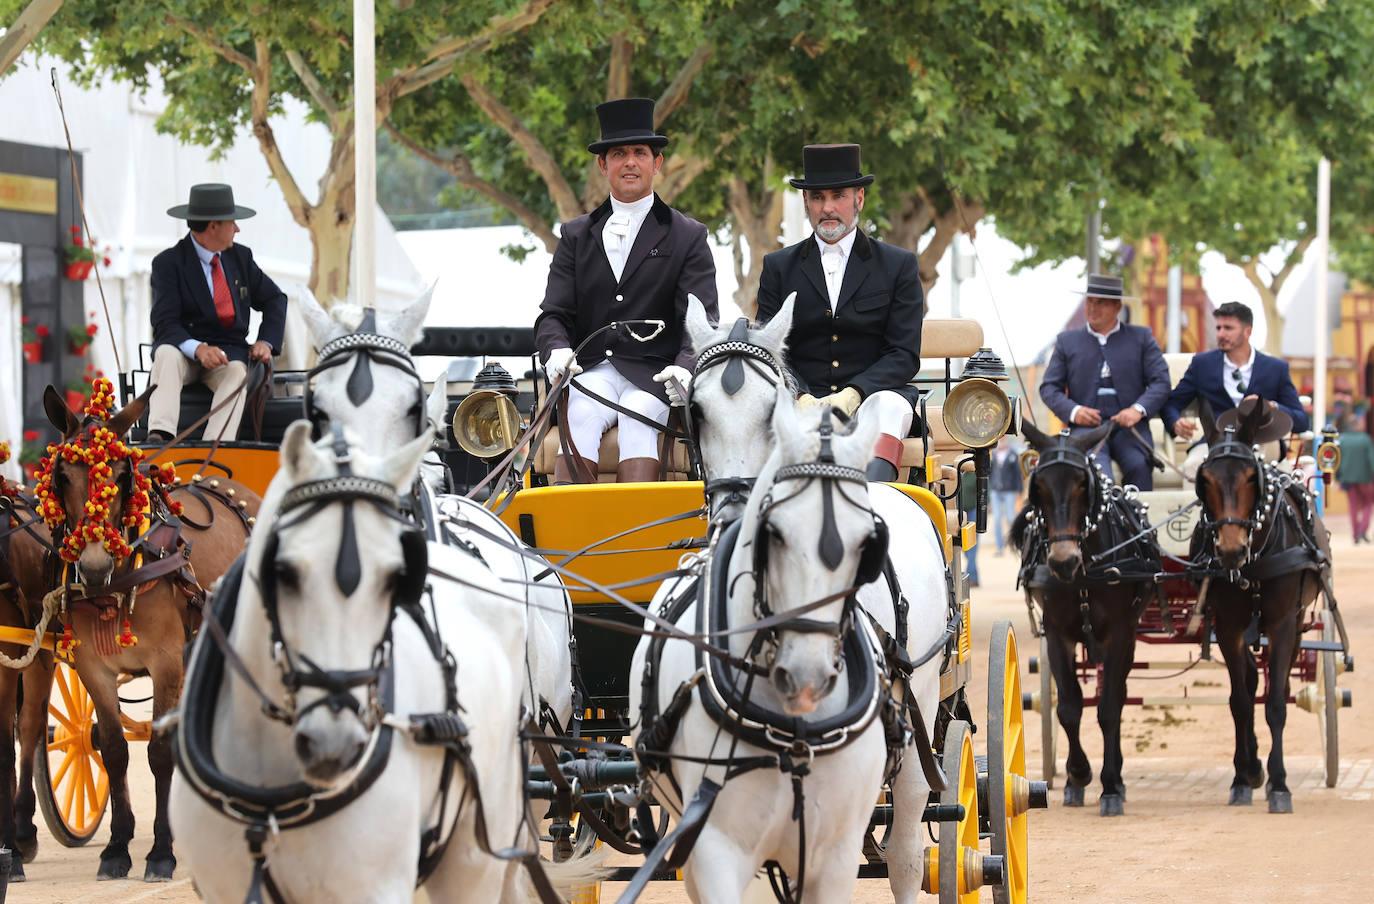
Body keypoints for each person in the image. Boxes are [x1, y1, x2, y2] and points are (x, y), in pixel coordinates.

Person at [534, 98, 719, 484]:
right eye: (619, 154)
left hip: (654, 374)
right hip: (592, 368)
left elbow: (701, 321)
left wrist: (685, 369)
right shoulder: (575, 235)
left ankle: (637, 533)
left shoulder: (688, 235)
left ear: (657, 163)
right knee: (582, 412)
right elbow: (553, 313)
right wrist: (556, 350)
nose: (630, 162)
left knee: (638, 417)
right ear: (604, 165)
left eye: (639, 153)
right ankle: (570, 530)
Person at [755, 143, 924, 480]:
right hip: (800, 401)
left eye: (838, 196)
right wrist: (799, 394)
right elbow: (770, 349)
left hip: (873, 398)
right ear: (806, 202)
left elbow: (903, 354)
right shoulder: (778, 267)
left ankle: (874, 502)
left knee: (889, 408)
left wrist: (854, 393)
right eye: (817, 198)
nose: (827, 207)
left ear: (859, 198)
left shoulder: (897, 265)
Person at [148, 184, 286, 443]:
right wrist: (198, 349)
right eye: (233, 222)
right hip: (183, 355)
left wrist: (265, 342)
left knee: (237, 372)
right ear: (213, 226)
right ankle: (160, 434)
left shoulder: (241, 258)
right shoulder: (168, 263)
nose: (237, 228)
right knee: (165, 353)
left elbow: (275, 299)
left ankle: (215, 445)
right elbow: (165, 323)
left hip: (227, 357)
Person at [1039, 274, 1171, 489]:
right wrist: (1075, 411)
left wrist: (1137, 410)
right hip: (1085, 431)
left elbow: (1161, 382)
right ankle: (1100, 523)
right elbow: (1049, 388)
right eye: (1089, 301)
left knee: (1139, 466)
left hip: (1130, 430)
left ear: (1117, 306)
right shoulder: (1067, 341)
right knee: (1097, 474)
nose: (1093, 308)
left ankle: (1137, 522)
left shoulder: (1141, 338)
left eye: (1101, 303)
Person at [1162, 300, 1309, 439]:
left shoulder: (1276, 368)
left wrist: (1271, 407)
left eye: (1228, 328)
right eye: (1218, 328)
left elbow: (1301, 422)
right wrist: (1175, 423)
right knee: (1192, 465)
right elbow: (1171, 403)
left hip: (1264, 444)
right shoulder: (1202, 365)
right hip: (1215, 445)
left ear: (1247, 332)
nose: (1220, 334)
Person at [1337, 412, 1374, 543]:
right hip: (1365, 478)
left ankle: (1355, 533)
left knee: (1353, 506)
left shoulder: (1342, 439)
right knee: (1368, 504)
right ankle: (1363, 530)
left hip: (1347, 477)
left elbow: (1337, 460)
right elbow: (1371, 459)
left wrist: (1338, 477)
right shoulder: (1365, 439)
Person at [989, 435, 1023, 555]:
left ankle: (1014, 542)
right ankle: (1000, 547)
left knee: (1010, 517)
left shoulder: (1012, 454)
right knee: (997, 519)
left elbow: (1018, 474)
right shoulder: (992, 455)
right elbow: (989, 473)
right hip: (995, 490)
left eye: (1003, 439)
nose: (1002, 441)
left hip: (1009, 490)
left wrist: (1019, 490)